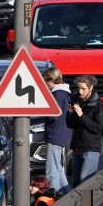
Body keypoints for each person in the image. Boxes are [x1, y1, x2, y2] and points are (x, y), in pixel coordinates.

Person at [66, 75, 103, 188]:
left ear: (90, 88)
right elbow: (70, 125)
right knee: (76, 183)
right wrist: (70, 113)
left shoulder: (98, 104)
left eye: (83, 88)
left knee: (85, 184)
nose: (80, 91)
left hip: (91, 148)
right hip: (77, 147)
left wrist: (81, 115)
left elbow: (97, 128)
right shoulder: (76, 100)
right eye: (78, 88)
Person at [42, 66, 72, 196]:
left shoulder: (58, 95)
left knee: (52, 169)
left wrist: (44, 108)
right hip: (59, 134)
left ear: (51, 80)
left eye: (45, 81)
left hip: (55, 134)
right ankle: (67, 196)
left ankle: (53, 196)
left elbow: (54, 115)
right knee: (58, 168)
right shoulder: (64, 93)